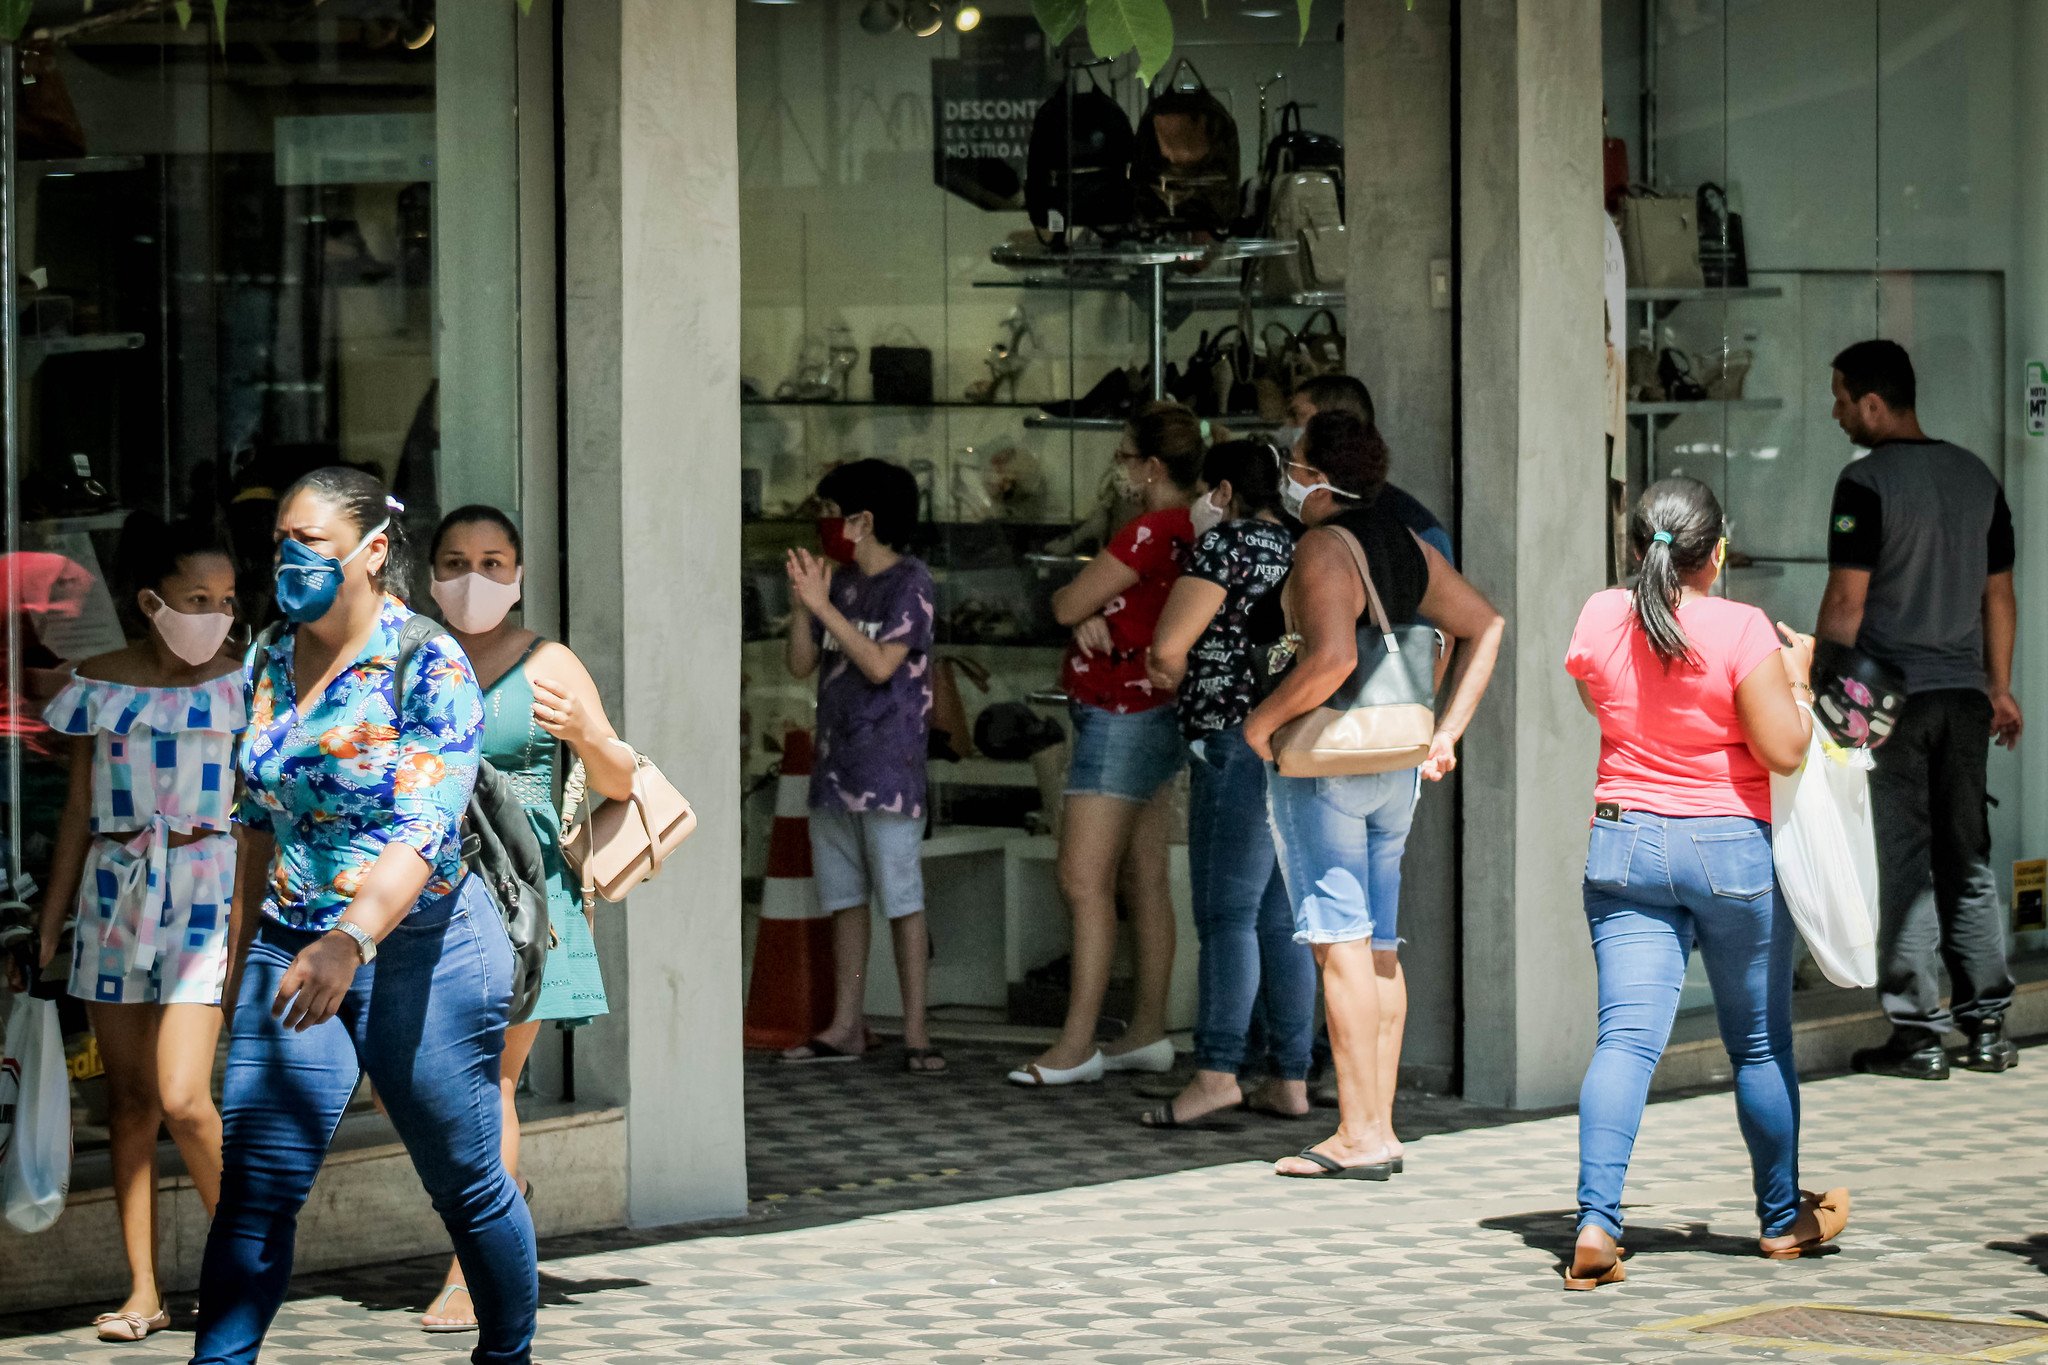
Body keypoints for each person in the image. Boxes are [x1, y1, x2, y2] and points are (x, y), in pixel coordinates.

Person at [192, 467, 535, 1365]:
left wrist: (353, 936)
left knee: (466, 1183)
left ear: (373, 552)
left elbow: (426, 827)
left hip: (424, 949)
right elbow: (259, 820)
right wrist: (240, 966)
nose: (291, 560)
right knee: (257, 1185)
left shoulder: (428, 660)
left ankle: (507, 1354)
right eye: (282, 545)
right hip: (292, 945)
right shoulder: (269, 653)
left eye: (313, 543)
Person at [1563, 476, 1849, 1289]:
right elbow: (1786, 750)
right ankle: (1780, 1218)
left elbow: (1608, 709)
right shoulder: (1742, 628)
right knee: (1757, 1043)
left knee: (1625, 1040)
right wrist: (1797, 673)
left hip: (1623, 845)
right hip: (1728, 848)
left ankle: (1595, 1220)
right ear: (1715, 552)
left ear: (1635, 547)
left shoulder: (1596, 615)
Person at [1242, 412, 1503, 1178]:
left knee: (1340, 946)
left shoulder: (1324, 546)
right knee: (1379, 946)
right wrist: (1447, 731)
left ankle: (1357, 1133)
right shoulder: (1404, 542)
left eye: (1294, 462)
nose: (1288, 475)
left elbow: (1328, 658)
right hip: (1394, 763)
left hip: (1326, 763)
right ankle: (1380, 1125)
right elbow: (1485, 625)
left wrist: (1262, 724)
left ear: (1319, 477)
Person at [8, 516, 242, 1343]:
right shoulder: (96, 683)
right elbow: (77, 810)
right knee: (132, 1100)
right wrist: (51, 920)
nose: (215, 614)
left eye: (226, 599)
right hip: (114, 897)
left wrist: (249, 935)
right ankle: (143, 1289)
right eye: (196, 598)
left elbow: (255, 825)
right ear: (151, 602)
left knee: (186, 1097)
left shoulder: (244, 684)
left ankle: (246, 1267)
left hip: (206, 892)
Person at [414, 505, 636, 1332]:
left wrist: (584, 730)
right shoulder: (409, 656)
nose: (475, 576)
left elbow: (617, 776)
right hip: (423, 887)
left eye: (495, 560)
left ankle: (472, 1273)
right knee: (440, 1086)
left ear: (518, 574)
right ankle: (501, 1212)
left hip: (521, 897)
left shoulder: (550, 662)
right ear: (429, 573)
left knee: (489, 1079)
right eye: (457, 559)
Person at [1817, 341, 2023, 1082]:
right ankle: (1990, 1027)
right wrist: (1998, 686)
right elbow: (1999, 595)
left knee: (1906, 863)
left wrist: (1822, 687)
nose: (1835, 411)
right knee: (1967, 858)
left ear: (1875, 404)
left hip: (1892, 702)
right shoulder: (1978, 477)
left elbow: (1847, 601)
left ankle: (1919, 1034)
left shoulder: (1864, 482)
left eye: (1841, 398)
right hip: (1966, 698)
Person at [1010, 402, 1202, 1087]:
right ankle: (1146, 1028)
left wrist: (1084, 608)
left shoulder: (1152, 529)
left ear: (1152, 467)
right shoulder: (1195, 527)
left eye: (1125, 456)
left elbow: (1065, 602)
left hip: (1119, 710)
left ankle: (1076, 1042)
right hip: (1158, 710)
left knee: (1082, 876)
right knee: (1143, 875)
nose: (1118, 468)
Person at [1140, 438, 1315, 1127]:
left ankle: (1216, 1070)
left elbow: (1167, 649)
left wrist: (1171, 672)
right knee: (1279, 917)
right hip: (1291, 741)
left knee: (1226, 913)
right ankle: (1291, 1076)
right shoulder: (1305, 544)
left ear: (1220, 490)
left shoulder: (1224, 547)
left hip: (1232, 738)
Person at [780, 459, 944, 1073]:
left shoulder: (912, 582)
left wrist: (823, 609)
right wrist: (805, 605)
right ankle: (846, 1022)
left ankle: (917, 1029)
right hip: (835, 767)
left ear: (863, 520)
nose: (822, 525)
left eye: (828, 513)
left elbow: (880, 665)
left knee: (901, 897)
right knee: (844, 899)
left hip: (890, 771)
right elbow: (800, 665)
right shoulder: (839, 584)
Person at [1287, 374, 1452, 564]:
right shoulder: (1295, 519)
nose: (1288, 426)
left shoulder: (1415, 529)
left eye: (1298, 416)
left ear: (1336, 423)